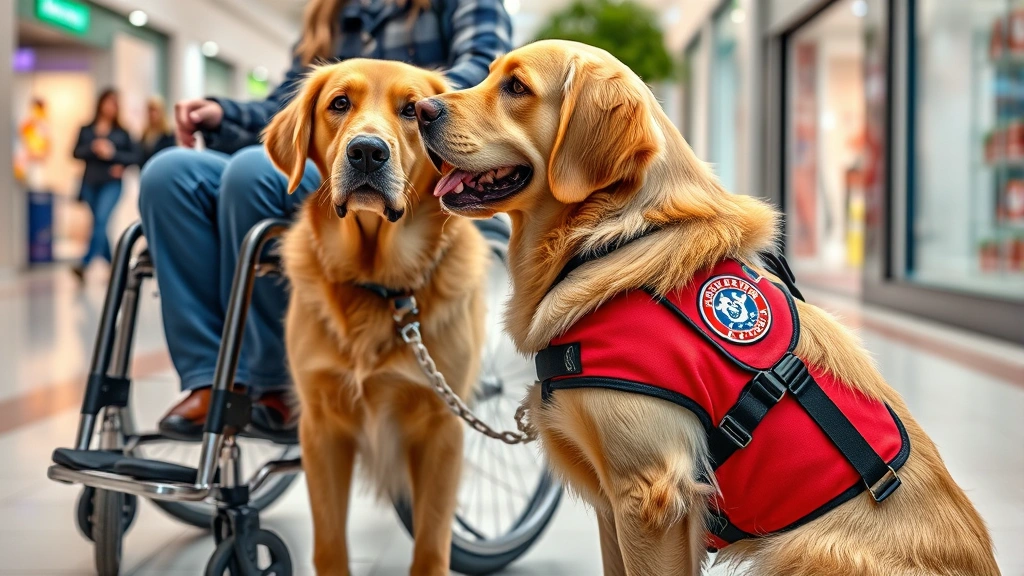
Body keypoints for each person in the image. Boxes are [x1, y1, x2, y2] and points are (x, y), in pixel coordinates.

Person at [139, 0, 512, 439]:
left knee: (250, 172)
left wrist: (418, 104)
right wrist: (225, 115)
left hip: (410, 164)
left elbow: (487, 76)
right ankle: (209, 378)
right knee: (169, 174)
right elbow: (287, 105)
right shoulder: (329, 10)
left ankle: (273, 383)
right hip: (332, 160)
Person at [73, 89, 137, 281]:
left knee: (100, 220)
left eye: (114, 103)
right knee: (100, 225)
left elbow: (135, 156)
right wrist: (93, 148)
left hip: (112, 183)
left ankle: (84, 264)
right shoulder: (87, 129)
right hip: (90, 183)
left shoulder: (122, 133)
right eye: (107, 102)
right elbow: (75, 152)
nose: (110, 107)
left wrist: (114, 155)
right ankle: (115, 267)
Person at [140, 96, 176, 168]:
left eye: (155, 110)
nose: (153, 114)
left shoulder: (168, 134)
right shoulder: (145, 134)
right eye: (150, 111)